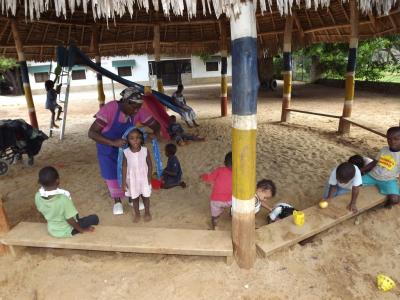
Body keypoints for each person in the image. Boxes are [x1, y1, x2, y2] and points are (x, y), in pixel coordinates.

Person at [88, 87, 144, 215]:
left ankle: (131, 198)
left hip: (125, 150)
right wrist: (113, 142)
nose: (136, 111)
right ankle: (117, 201)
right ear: (126, 102)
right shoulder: (110, 109)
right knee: (111, 175)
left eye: (138, 108)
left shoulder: (132, 113)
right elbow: (91, 133)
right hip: (107, 150)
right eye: (134, 108)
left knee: (129, 174)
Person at [35, 166, 99, 237]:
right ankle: (79, 228)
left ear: (40, 182)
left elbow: (43, 211)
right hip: (66, 231)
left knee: (69, 214)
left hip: (52, 229)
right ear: (57, 181)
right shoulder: (63, 199)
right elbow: (70, 220)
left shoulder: (37, 196)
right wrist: (81, 230)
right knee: (94, 218)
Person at [362, 126, 400, 209]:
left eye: (396, 139)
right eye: (389, 139)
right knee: (355, 183)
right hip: (372, 176)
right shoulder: (384, 149)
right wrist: (360, 170)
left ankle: (384, 206)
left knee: (394, 199)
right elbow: (374, 163)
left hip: (388, 180)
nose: (392, 141)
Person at [122, 128, 152, 222]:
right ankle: (137, 214)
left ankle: (147, 212)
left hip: (144, 178)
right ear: (128, 140)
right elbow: (124, 167)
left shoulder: (145, 150)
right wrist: (123, 182)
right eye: (132, 138)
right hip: (132, 179)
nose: (135, 140)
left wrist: (149, 177)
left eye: (138, 138)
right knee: (134, 198)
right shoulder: (126, 152)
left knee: (145, 196)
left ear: (141, 139)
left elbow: (150, 164)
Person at [200, 152, 232, 230]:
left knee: (214, 215)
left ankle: (215, 225)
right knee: (237, 203)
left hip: (216, 201)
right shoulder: (238, 173)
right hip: (231, 201)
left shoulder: (219, 170)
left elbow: (209, 178)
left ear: (224, 162)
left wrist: (203, 176)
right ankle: (233, 214)